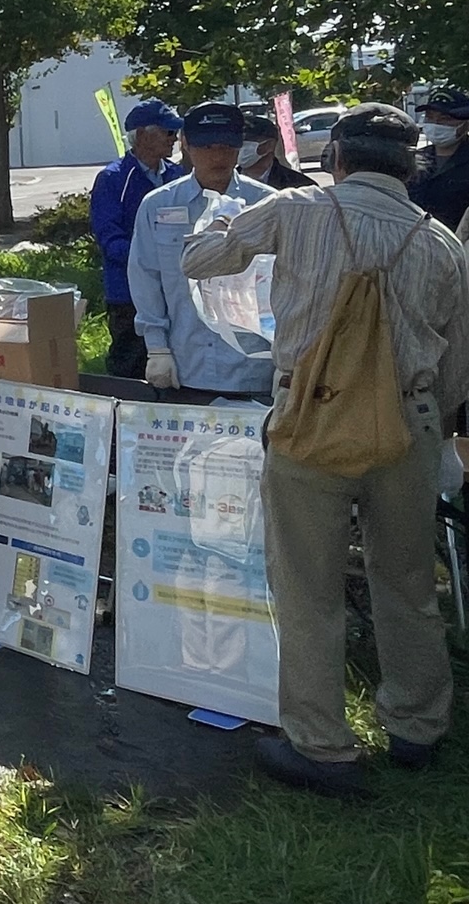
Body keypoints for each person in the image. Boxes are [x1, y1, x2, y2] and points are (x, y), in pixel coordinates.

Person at [182, 104, 469, 795]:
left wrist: (221, 222)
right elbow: (458, 366)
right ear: (413, 164)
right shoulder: (441, 242)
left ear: (335, 155)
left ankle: (321, 745)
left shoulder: (296, 209)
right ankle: (417, 728)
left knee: (307, 589)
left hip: (309, 423)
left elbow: (200, 260)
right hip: (409, 424)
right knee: (406, 583)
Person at [128, 101, 275, 402]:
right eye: (206, 147)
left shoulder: (269, 204)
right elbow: (146, 277)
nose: (218, 156)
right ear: (186, 145)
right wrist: (157, 347)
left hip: (255, 368)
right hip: (186, 368)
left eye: (227, 147)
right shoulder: (159, 205)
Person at [91, 101, 187, 379]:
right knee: (130, 366)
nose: (174, 139)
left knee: (176, 363)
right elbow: (109, 238)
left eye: (175, 133)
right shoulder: (113, 178)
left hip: (174, 289)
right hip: (128, 293)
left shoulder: (176, 175)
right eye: (168, 132)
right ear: (143, 135)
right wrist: (152, 258)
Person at [412, 85, 469, 230]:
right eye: (430, 117)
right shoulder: (412, 160)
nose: (436, 124)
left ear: (465, 123)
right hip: (414, 242)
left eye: (446, 119)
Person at [240, 113, 314, 191]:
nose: (239, 147)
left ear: (269, 145)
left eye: (246, 141)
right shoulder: (228, 181)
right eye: (237, 141)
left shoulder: (301, 186)